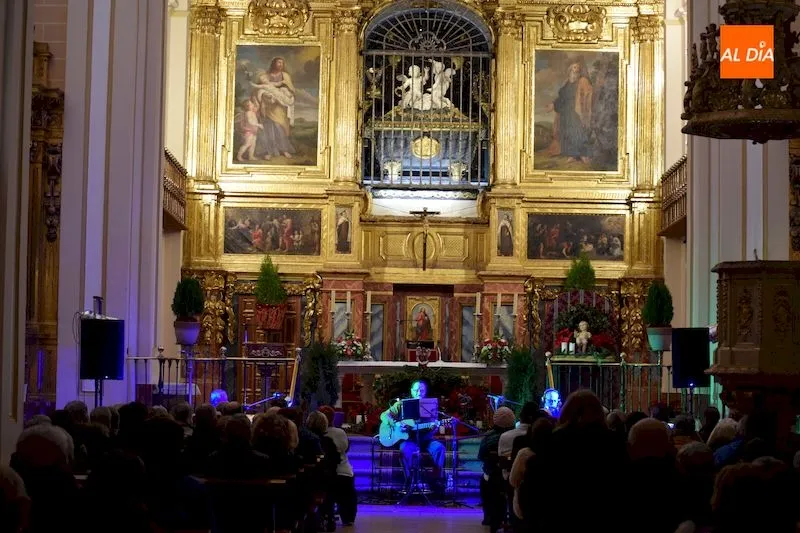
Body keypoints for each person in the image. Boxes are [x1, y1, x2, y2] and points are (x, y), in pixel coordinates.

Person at [379, 380, 445, 490]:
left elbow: (433, 430)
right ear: (412, 391)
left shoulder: (431, 406)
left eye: (422, 390)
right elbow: (384, 416)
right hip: (408, 440)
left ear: (425, 391)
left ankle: (435, 481)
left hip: (425, 440)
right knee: (405, 449)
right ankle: (409, 481)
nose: (419, 392)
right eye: (416, 390)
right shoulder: (401, 404)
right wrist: (396, 423)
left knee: (439, 448)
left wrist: (434, 427)